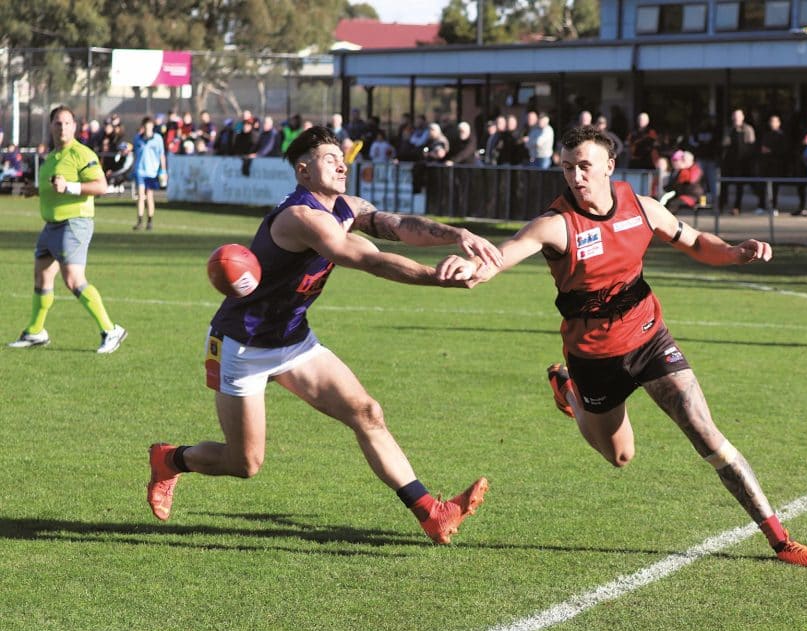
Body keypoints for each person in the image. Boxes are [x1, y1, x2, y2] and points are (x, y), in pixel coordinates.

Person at [457, 125, 807, 567]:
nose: (576, 177)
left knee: (703, 428)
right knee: (620, 456)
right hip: (593, 358)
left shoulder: (642, 207)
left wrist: (732, 252)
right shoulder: (555, 225)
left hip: (650, 339)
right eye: (568, 168)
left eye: (585, 166)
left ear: (609, 166)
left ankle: (780, 540)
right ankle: (569, 390)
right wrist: (474, 269)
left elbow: (694, 241)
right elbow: (506, 253)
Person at [146, 126, 503, 543]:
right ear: (303, 171)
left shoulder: (346, 206)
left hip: (293, 340)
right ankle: (170, 460)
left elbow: (399, 225)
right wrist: (438, 277)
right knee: (245, 463)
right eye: (329, 158)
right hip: (242, 346)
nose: (342, 164)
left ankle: (433, 514)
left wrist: (459, 234)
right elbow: (370, 260)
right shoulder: (302, 218)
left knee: (366, 412)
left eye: (342, 157)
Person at [7, 105, 127, 354]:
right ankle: (36, 331)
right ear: (51, 126)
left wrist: (70, 187)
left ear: (75, 127)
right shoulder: (52, 157)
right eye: (58, 123)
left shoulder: (81, 153)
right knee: (42, 277)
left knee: (73, 280)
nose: (62, 128)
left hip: (74, 223)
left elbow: (101, 186)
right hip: (51, 226)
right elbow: (55, 187)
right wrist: (36, 191)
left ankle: (111, 330)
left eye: (67, 123)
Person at [133, 116, 167, 230]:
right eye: (146, 125)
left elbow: (161, 155)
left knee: (149, 195)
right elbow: (135, 153)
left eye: (150, 125)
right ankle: (139, 220)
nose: (148, 128)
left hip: (152, 171)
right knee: (140, 195)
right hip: (140, 170)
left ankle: (150, 220)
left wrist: (163, 170)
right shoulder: (137, 138)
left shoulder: (157, 139)